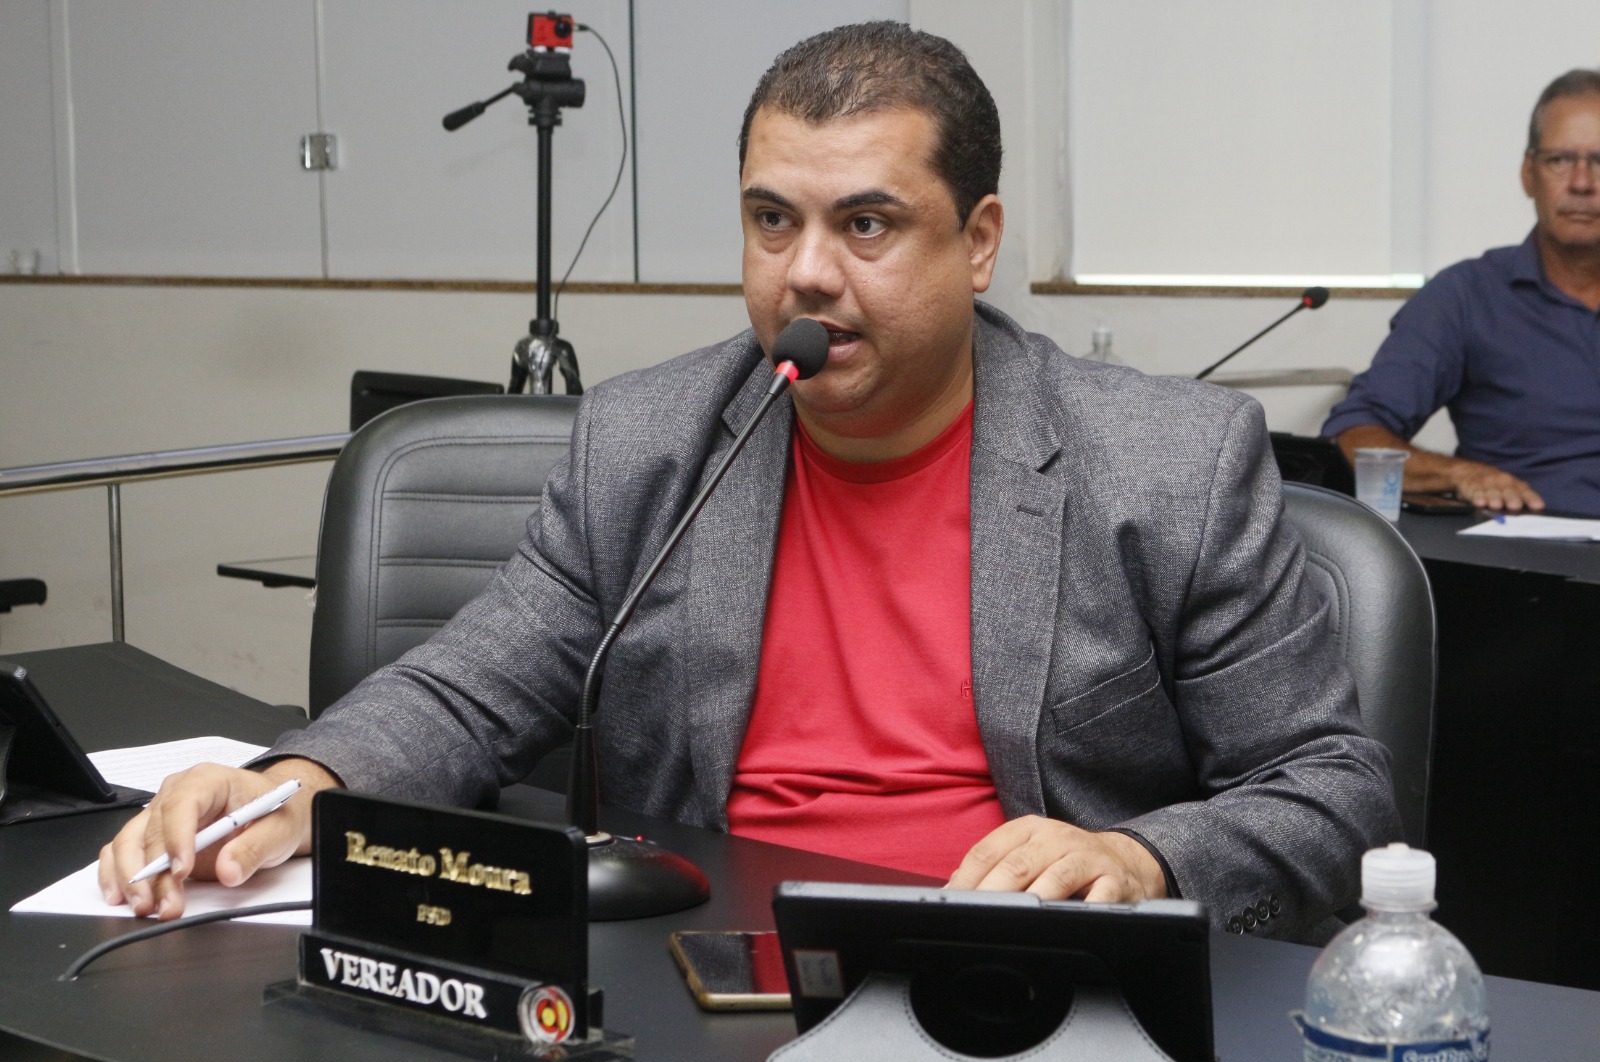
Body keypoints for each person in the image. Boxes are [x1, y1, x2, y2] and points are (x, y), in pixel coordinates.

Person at [101, 22, 1398, 942]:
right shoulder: (648, 440)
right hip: (699, 968)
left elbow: (1329, 787)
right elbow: (468, 688)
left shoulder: (1165, 464)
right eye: (772, 220)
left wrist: (1137, 853)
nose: (806, 273)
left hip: (1008, 977)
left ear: (978, 241)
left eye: (866, 224)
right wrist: (298, 781)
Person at [1323, 68, 1600, 516]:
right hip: (1525, 545)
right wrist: (1461, 475)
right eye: (1560, 160)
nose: (1583, 183)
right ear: (1529, 174)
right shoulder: (1466, 297)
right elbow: (1354, 435)